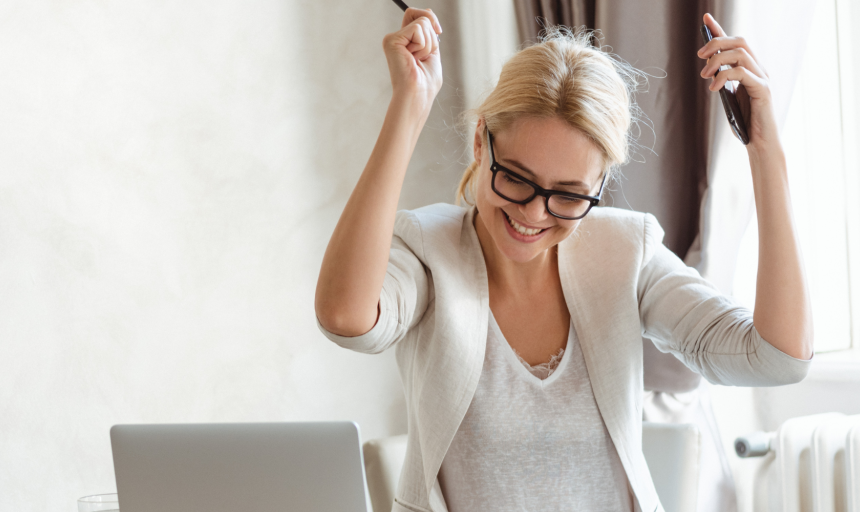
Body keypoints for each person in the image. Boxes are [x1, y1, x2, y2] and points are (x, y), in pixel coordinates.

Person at [314, 7, 812, 512]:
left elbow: (776, 357)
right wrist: (410, 106)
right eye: (515, 177)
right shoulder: (428, 250)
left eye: (569, 195)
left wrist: (765, 151)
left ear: (599, 186)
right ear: (479, 142)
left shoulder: (623, 252)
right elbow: (346, 319)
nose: (533, 213)